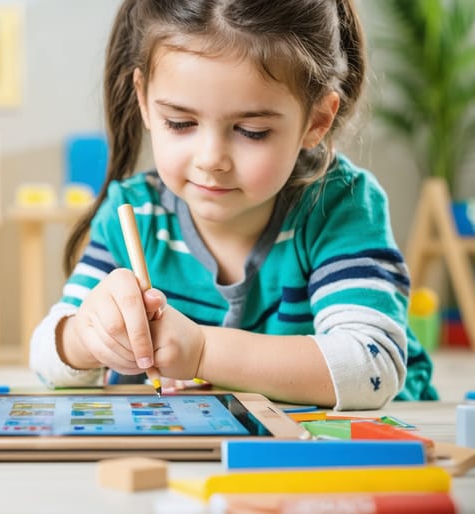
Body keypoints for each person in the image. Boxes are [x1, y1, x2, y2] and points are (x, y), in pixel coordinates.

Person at [29, 0, 437, 410]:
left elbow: (371, 365)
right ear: (144, 100)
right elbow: (47, 360)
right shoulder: (133, 214)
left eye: (251, 131)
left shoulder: (339, 207)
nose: (211, 159)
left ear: (316, 121)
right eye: (181, 123)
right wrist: (87, 335)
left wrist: (203, 351)